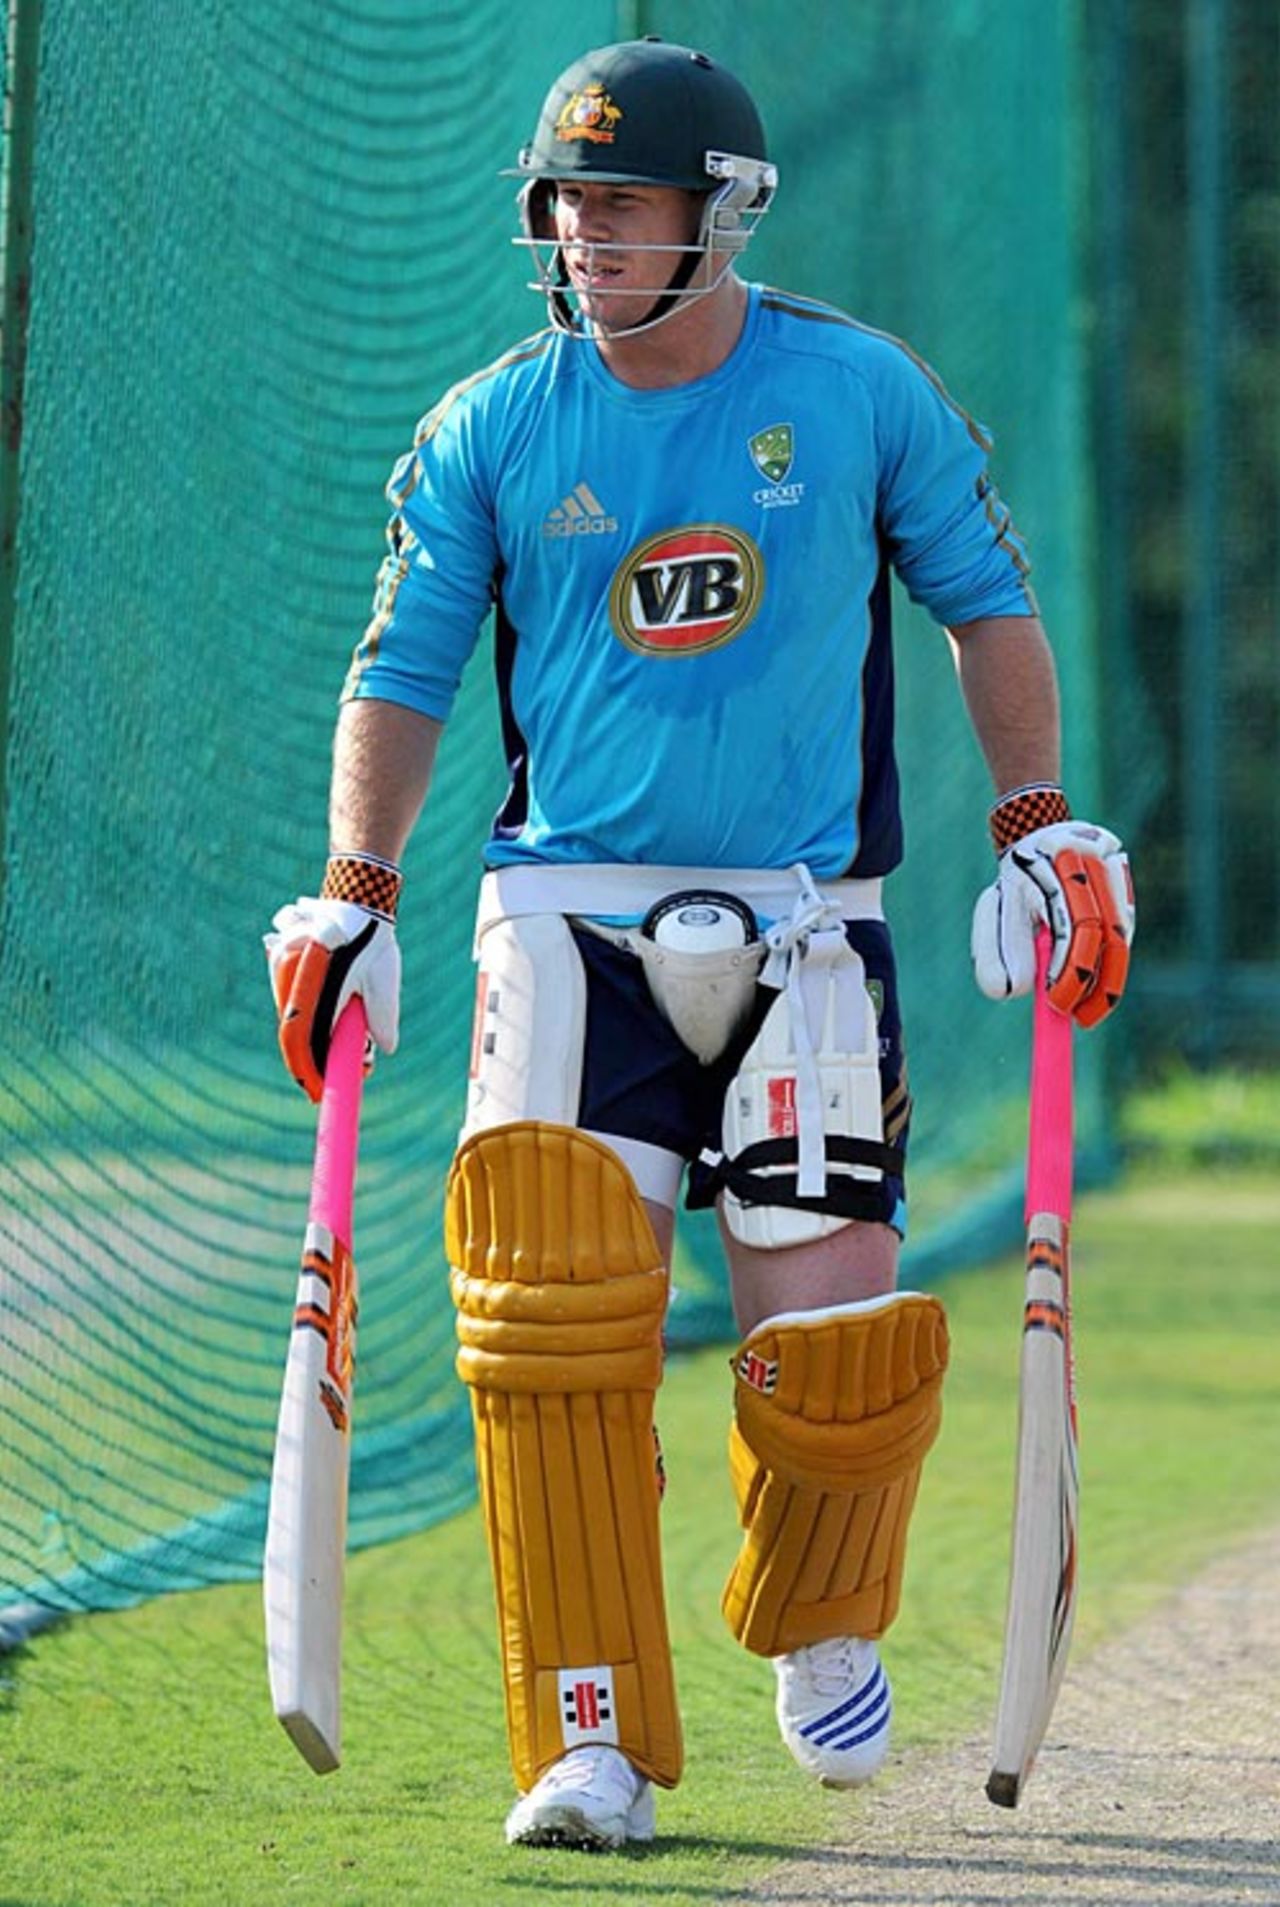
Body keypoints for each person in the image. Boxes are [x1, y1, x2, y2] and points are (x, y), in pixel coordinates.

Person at [266, 37, 1134, 1852]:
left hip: (815, 924)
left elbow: (988, 610)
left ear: (720, 213)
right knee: (549, 1326)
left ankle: (813, 1619)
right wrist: (358, 884)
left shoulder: (862, 392)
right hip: (566, 923)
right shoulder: (493, 423)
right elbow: (400, 677)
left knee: (829, 1352)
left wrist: (1038, 822)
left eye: (623, 201)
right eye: (567, 204)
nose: (585, 236)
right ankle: (583, 1743)